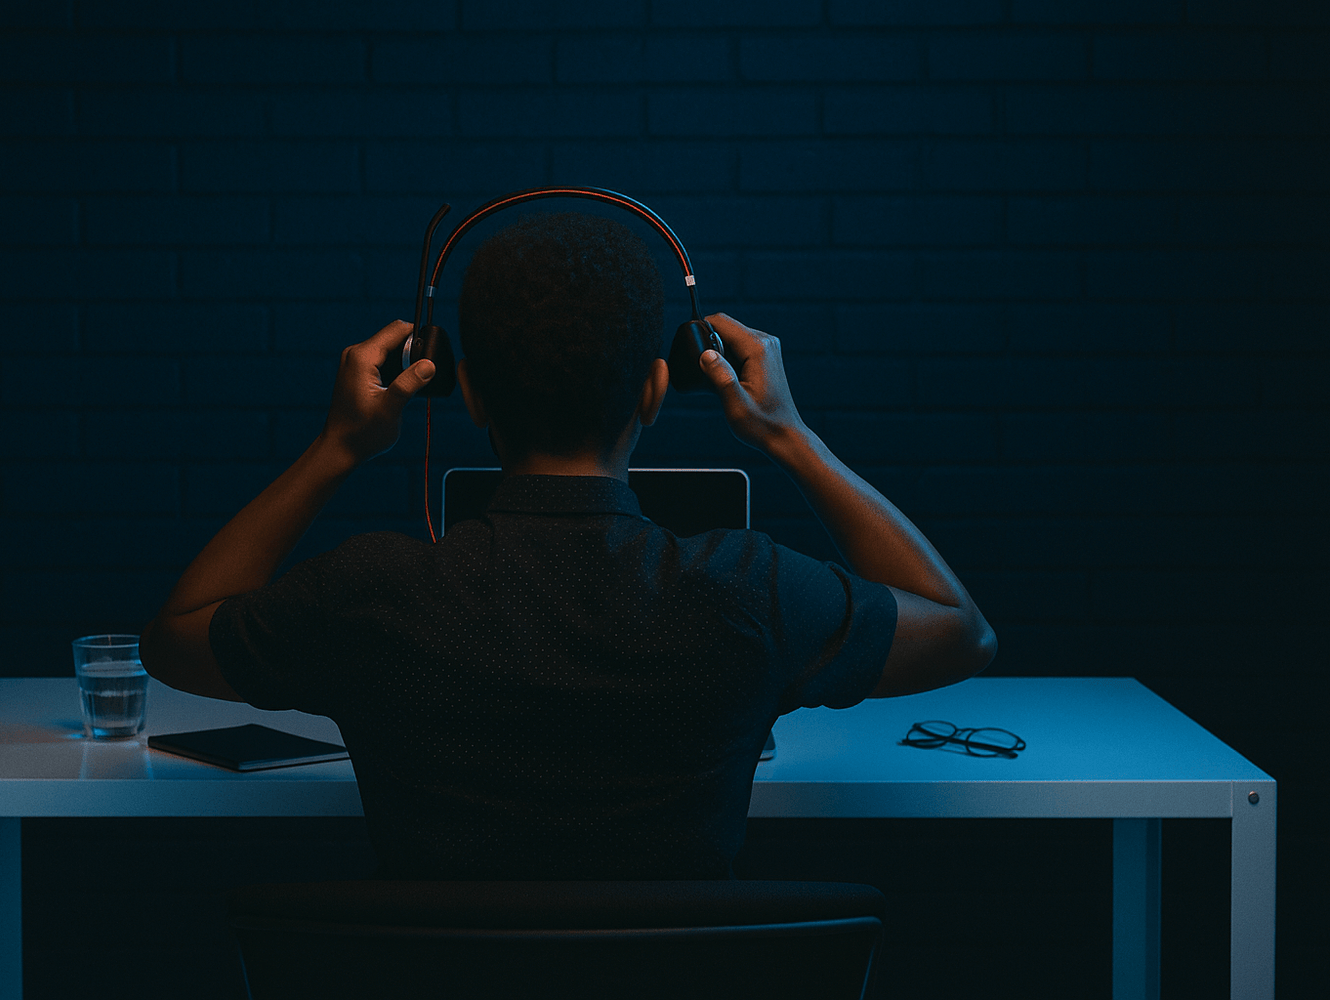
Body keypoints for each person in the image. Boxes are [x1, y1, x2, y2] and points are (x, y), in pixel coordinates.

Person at [141, 213, 996, 879]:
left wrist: (338, 446)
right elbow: (961, 631)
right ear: (657, 390)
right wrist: (789, 435)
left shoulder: (373, 592)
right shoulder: (749, 590)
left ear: (467, 393)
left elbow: (176, 637)